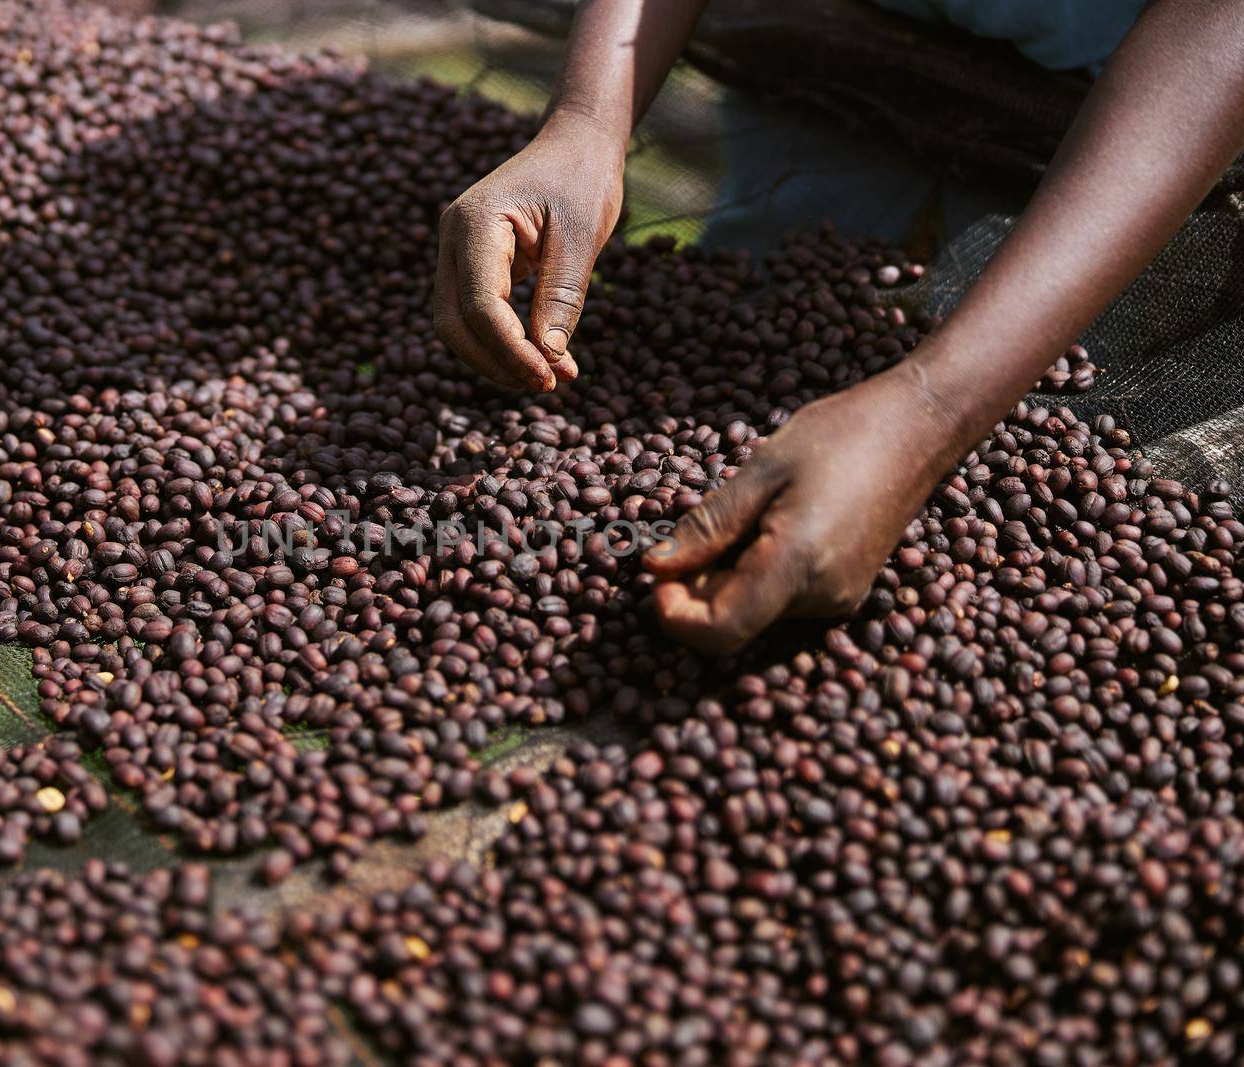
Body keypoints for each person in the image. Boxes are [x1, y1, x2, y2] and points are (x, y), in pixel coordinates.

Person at [432, 0, 1244, 654]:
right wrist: (587, 119)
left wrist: (932, 408)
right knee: (761, 295)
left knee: (1065, 409)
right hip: (831, 52)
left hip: (1137, 136)